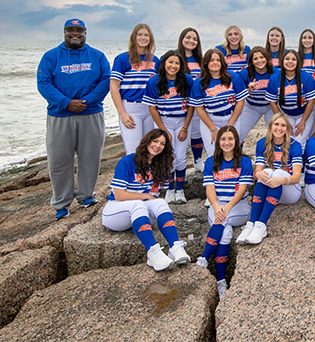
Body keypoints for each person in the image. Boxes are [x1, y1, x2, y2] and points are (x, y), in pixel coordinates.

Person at [37, 18, 110, 220]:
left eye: (79, 30)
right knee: (59, 161)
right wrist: (66, 102)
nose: (75, 33)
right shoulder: (51, 56)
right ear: (64, 32)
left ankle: (86, 195)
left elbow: (105, 81)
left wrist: (86, 101)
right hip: (60, 116)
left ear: (85, 33)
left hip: (90, 113)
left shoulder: (97, 56)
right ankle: (61, 204)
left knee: (90, 158)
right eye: (71, 30)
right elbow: (44, 83)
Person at [101, 129, 191, 271]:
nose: (157, 145)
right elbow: (118, 194)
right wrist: (144, 196)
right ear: (147, 141)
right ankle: (153, 252)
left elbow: (154, 197)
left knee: (161, 202)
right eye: (155, 141)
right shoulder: (128, 161)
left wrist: (147, 198)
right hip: (116, 212)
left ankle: (175, 247)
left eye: (162, 143)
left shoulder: (161, 166)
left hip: (139, 213)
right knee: (139, 204)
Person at [195, 126, 252, 299]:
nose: (227, 143)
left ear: (236, 141)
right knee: (225, 232)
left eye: (230, 139)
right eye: (223, 139)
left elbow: (242, 190)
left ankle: (204, 259)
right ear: (218, 141)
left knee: (222, 221)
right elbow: (210, 189)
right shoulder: (211, 161)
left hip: (239, 206)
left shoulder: (245, 161)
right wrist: (215, 205)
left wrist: (226, 208)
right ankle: (221, 282)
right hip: (217, 205)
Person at [237, 113, 303, 245]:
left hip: (291, 190)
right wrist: (258, 174)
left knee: (277, 172)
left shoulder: (295, 145)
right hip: (273, 189)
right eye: (276, 124)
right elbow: (258, 170)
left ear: (288, 128)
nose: (279, 128)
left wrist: (281, 180)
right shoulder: (262, 143)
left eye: (283, 125)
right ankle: (251, 224)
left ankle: (261, 225)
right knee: (266, 172)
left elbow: (296, 177)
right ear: (270, 126)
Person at [143, 50, 194, 204]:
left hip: (182, 121)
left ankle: (180, 190)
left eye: (177, 63)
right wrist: (162, 130)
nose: (173, 66)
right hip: (163, 121)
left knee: (180, 157)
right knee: (167, 156)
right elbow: (152, 108)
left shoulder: (187, 80)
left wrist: (185, 127)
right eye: (170, 62)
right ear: (164, 63)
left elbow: (192, 106)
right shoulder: (154, 81)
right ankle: (169, 189)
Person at [110, 24, 160, 154]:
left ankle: (149, 175)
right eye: (140, 34)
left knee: (151, 149)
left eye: (146, 35)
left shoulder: (155, 60)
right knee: (133, 151)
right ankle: (134, 175)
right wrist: (122, 113)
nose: (143, 38)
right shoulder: (122, 59)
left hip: (150, 109)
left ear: (150, 38)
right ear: (134, 37)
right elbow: (114, 87)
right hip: (131, 109)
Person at [189, 49, 247, 157]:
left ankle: (232, 173)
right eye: (211, 60)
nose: (215, 63)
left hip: (231, 117)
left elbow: (240, 101)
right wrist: (212, 128)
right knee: (213, 152)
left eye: (218, 60)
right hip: (211, 120)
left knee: (232, 150)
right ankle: (215, 173)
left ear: (222, 62)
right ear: (206, 63)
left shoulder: (233, 77)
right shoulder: (199, 82)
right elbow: (199, 109)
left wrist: (231, 124)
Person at [266, 50, 315, 146]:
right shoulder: (275, 78)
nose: (290, 62)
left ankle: (302, 159)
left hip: (305, 114)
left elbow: (311, 102)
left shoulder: (307, 77)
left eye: (293, 59)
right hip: (286, 114)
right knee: (287, 139)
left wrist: (303, 122)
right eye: (287, 59)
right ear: (282, 61)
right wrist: (283, 120)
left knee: (298, 141)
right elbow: (272, 102)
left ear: (298, 62)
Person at [177, 27, 205, 172]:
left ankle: (198, 160)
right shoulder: (175, 58)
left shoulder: (201, 60)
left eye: (195, 39)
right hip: (180, 103)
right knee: (180, 134)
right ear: (182, 39)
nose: (191, 41)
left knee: (197, 133)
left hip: (198, 103)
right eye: (188, 37)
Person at [236, 46, 275, 140]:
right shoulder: (245, 73)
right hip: (251, 107)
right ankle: (236, 153)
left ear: (266, 58)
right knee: (238, 134)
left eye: (262, 57)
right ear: (251, 61)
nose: (259, 61)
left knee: (276, 132)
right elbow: (236, 92)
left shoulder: (275, 72)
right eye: (255, 58)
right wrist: (247, 90)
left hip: (271, 107)